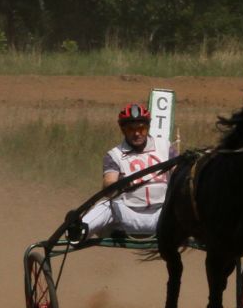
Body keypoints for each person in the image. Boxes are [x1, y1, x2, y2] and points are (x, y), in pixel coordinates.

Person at [74, 102, 174, 243]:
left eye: (142, 128)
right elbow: (109, 183)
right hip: (128, 216)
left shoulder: (165, 147)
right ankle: (79, 230)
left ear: (148, 127)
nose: (137, 133)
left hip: (162, 215)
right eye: (130, 129)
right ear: (123, 130)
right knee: (106, 204)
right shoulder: (114, 155)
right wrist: (117, 185)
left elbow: (180, 174)